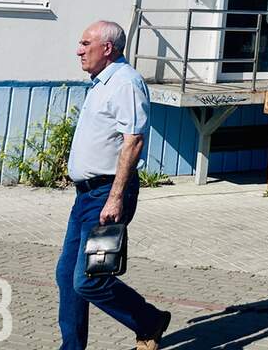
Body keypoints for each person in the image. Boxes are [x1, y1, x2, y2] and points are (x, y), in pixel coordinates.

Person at [57, 21, 170, 350]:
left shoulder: (125, 82)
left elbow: (134, 141)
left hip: (107, 194)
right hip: (85, 196)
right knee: (66, 275)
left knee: (88, 281)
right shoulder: (100, 83)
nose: (78, 50)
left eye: (85, 44)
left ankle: (149, 320)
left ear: (107, 48)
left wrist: (116, 197)